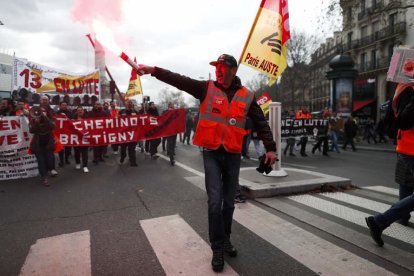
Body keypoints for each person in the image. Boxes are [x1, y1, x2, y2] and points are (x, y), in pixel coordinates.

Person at [138, 54, 277, 272]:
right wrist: (153, 70)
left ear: (233, 70)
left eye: (222, 67)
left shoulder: (247, 95)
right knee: (215, 202)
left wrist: (270, 148)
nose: (218, 70)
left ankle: (226, 238)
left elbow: (261, 122)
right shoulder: (206, 88)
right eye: (216, 67)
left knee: (229, 203)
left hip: (232, 154)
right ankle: (217, 247)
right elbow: (178, 79)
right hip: (211, 152)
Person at [365, 82, 414, 247]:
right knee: (405, 184)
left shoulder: (403, 86)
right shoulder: (409, 88)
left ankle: (382, 221)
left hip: (407, 147)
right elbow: (405, 120)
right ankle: (380, 221)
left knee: (406, 185)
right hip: (411, 147)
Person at [28, 108, 58, 186]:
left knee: (49, 161)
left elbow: (53, 126)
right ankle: (44, 177)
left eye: (43, 111)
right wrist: (36, 123)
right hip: (38, 145)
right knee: (41, 162)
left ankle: (49, 170)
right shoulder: (33, 121)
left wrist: (46, 118)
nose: (42, 113)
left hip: (48, 145)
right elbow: (32, 130)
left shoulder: (50, 119)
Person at [119, 100, 139, 167]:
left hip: (132, 134)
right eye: (128, 102)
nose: (129, 104)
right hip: (123, 134)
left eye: (131, 103)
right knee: (123, 149)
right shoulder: (121, 112)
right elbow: (116, 121)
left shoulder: (135, 112)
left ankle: (133, 162)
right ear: (126, 104)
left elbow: (140, 120)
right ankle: (123, 157)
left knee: (132, 149)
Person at [73, 106, 90, 173]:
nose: (80, 111)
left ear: (83, 111)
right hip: (76, 138)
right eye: (78, 110)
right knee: (77, 152)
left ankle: (85, 166)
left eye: (81, 110)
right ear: (76, 111)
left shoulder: (87, 118)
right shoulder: (73, 118)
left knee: (85, 153)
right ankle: (78, 163)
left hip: (84, 138)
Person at [56, 101, 73, 167]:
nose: (64, 106)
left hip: (68, 133)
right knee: (61, 148)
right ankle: (61, 161)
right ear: (60, 106)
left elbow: (72, 121)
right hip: (60, 133)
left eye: (65, 105)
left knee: (68, 148)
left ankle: (66, 159)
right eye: (62, 105)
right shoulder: (56, 113)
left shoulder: (70, 113)